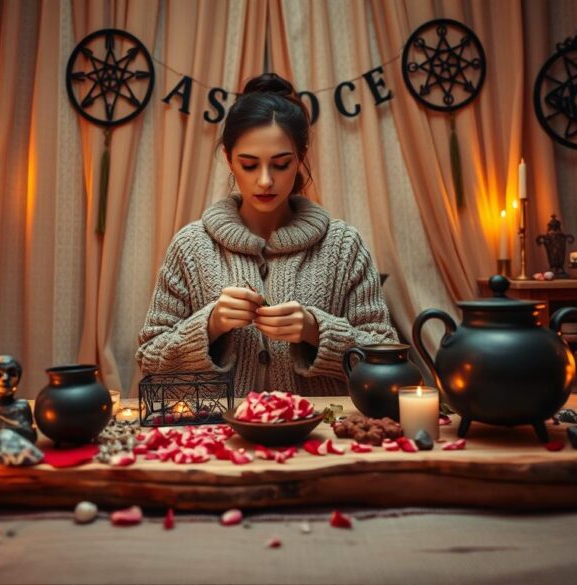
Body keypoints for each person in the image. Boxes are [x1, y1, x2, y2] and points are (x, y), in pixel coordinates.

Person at [136, 73, 398, 396]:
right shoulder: (190, 247)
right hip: (216, 441)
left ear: (300, 158)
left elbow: (387, 355)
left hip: (322, 438)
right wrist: (210, 325)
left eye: (281, 164)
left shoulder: (344, 246)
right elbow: (149, 360)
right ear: (229, 160)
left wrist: (316, 330)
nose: (264, 181)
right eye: (249, 165)